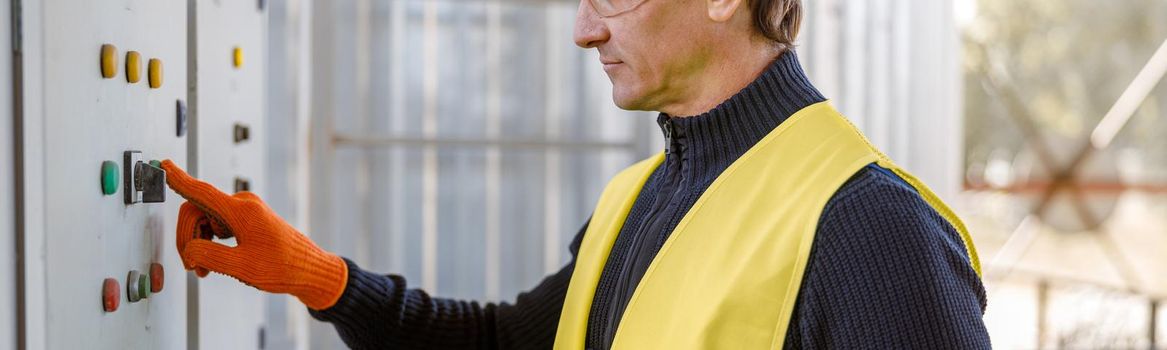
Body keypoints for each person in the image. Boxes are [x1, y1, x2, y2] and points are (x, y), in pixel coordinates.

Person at [160, 0, 991, 348]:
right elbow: (501, 344)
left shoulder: (867, 228)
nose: (583, 30)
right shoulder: (636, 200)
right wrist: (320, 278)